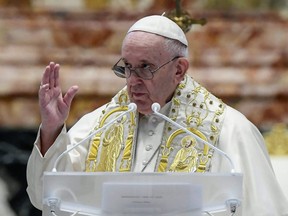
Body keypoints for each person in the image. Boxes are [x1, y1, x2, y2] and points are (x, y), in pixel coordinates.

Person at [26, 15, 288, 215]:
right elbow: (43, 198)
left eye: (145, 68)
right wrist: (51, 129)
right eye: (127, 67)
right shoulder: (100, 124)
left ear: (179, 69)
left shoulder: (230, 129)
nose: (132, 81)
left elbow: (262, 209)